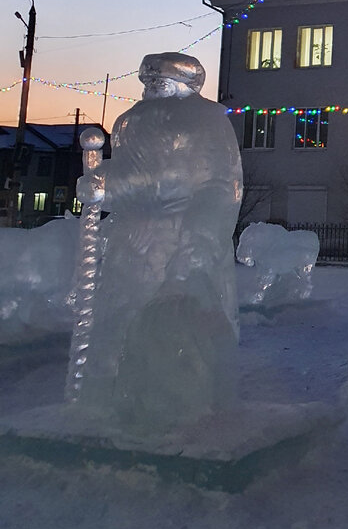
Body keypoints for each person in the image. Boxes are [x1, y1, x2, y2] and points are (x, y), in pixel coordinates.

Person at [73, 53, 243, 435]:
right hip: (132, 242)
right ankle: (108, 397)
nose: (151, 88)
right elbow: (132, 175)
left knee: (179, 327)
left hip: (184, 238)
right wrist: (102, 185)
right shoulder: (130, 121)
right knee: (119, 318)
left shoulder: (207, 120)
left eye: (158, 82)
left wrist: (200, 238)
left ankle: (187, 403)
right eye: (147, 82)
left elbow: (220, 182)